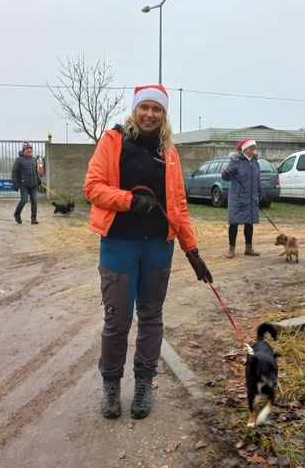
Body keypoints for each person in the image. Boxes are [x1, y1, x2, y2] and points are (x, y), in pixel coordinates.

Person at [83, 84, 212, 420]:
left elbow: (179, 205)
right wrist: (129, 201)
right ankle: (111, 385)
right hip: (118, 243)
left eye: (157, 109)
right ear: (135, 110)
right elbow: (92, 187)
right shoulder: (113, 141)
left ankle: (144, 383)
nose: (150, 114)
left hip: (158, 246)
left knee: (151, 317)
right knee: (118, 319)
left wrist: (191, 248)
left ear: (164, 115)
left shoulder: (168, 153)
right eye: (145, 108)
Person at [221, 137, 264, 258]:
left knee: (249, 223)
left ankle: (248, 248)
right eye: (251, 148)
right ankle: (231, 249)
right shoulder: (236, 161)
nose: (253, 150)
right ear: (245, 149)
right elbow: (226, 178)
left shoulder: (255, 162)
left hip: (251, 198)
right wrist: (225, 172)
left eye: (254, 148)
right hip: (237, 198)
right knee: (234, 223)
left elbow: (258, 179)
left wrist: (261, 193)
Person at [12, 141, 41, 225]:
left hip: (33, 184)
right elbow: (14, 172)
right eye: (27, 149)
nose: (29, 150)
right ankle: (17, 214)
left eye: (30, 149)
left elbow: (36, 171)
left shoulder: (33, 159)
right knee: (24, 200)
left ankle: (33, 218)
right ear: (24, 150)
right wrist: (15, 183)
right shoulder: (19, 159)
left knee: (34, 200)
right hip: (24, 184)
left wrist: (38, 179)